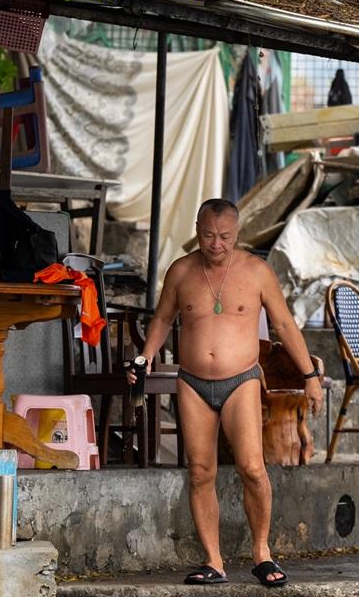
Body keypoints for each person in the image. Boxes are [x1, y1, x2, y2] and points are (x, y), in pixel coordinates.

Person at [129, 198, 324, 587]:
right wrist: (144, 358)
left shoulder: (256, 271)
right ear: (197, 230)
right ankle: (213, 561)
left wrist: (310, 376)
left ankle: (262, 554)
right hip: (192, 382)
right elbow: (163, 319)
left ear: (237, 234)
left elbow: (284, 326)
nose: (215, 244)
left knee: (252, 468)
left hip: (242, 380)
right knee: (200, 472)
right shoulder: (181, 271)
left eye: (224, 237)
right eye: (207, 235)